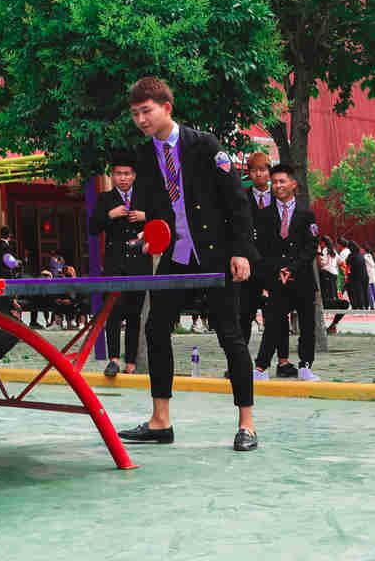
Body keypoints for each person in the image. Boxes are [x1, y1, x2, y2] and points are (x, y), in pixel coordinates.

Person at [113, 77, 260, 453]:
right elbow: (156, 206)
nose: (141, 120)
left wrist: (241, 251)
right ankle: (160, 421)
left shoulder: (204, 145)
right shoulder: (145, 154)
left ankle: (246, 424)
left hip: (215, 255)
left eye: (146, 111)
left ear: (167, 108)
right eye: (135, 114)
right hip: (176, 257)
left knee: (230, 335)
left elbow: (237, 201)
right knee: (155, 328)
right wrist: (151, 233)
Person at [253, 163, 319, 381]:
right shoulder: (264, 215)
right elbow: (261, 248)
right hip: (276, 279)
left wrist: (292, 268)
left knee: (307, 325)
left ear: (293, 184)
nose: (278, 186)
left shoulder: (306, 214)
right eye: (274, 182)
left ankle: (305, 366)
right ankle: (261, 367)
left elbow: (311, 246)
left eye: (282, 181)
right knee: (273, 322)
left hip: (302, 278)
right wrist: (276, 270)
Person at [86, 158, 147, 378]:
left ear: (134, 176)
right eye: (119, 174)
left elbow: (163, 220)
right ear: (112, 176)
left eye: (127, 174)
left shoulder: (144, 197)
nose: (123, 178)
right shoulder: (105, 199)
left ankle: (130, 362)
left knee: (134, 315)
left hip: (138, 264)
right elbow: (93, 227)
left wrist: (145, 217)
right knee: (113, 311)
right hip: (114, 264)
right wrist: (109, 215)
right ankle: (113, 360)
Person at [240, 153, 280, 352]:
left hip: (273, 264)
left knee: (275, 315)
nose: (259, 174)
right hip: (248, 265)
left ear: (269, 172)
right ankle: (240, 360)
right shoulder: (241, 197)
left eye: (263, 170)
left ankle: (274, 360)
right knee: (244, 314)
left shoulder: (280, 197)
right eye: (254, 170)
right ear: (249, 173)